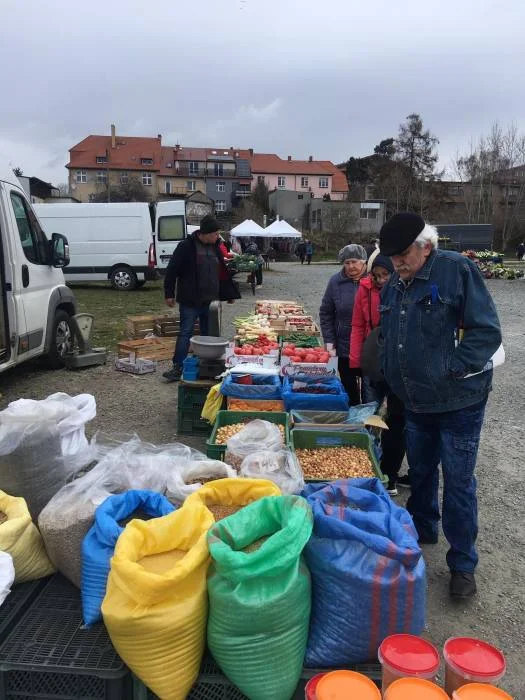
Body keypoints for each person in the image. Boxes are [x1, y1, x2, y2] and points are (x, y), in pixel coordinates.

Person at [379, 212, 502, 599]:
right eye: (391, 257)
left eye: (402, 255)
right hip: (415, 401)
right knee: (421, 471)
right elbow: (389, 336)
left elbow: (486, 331)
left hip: (458, 402)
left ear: (425, 246)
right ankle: (424, 529)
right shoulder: (394, 286)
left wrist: (453, 367)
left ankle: (463, 564)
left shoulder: (456, 270)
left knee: (459, 481)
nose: (396, 263)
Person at [349, 254, 407, 496]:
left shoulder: (406, 288)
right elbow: (358, 325)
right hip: (374, 355)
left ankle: (389, 474)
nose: (382, 280)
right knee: (369, 412)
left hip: (400, 361)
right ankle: (365, 464)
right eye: (378, 275)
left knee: (397, 418)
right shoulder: (364, 288)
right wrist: (355, 361)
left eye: (386, 275)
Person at [162, 215, 234, 382]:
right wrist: (169, 293)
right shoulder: (186, 246)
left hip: (210, 302)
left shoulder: (215, 247)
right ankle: (177, 367)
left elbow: (222, 272)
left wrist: (229, 294)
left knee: (208, 335)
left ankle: (206, 367)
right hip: (190, 301)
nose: (218, 237)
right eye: (215, 233)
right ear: (206, 232)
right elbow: (172, 270)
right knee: (185, 333)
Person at [319, 244, 367, 405]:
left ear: (363, 262)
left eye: (354, 262)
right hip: (343, 345)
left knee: (370, 390)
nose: (351, 266)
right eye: (347, 263)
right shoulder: (335, 282)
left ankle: (369, 422)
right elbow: (326, 312)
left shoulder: (373, 280)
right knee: (349, 389)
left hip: (368, 345)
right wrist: (330, 342)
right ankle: (353, 419)